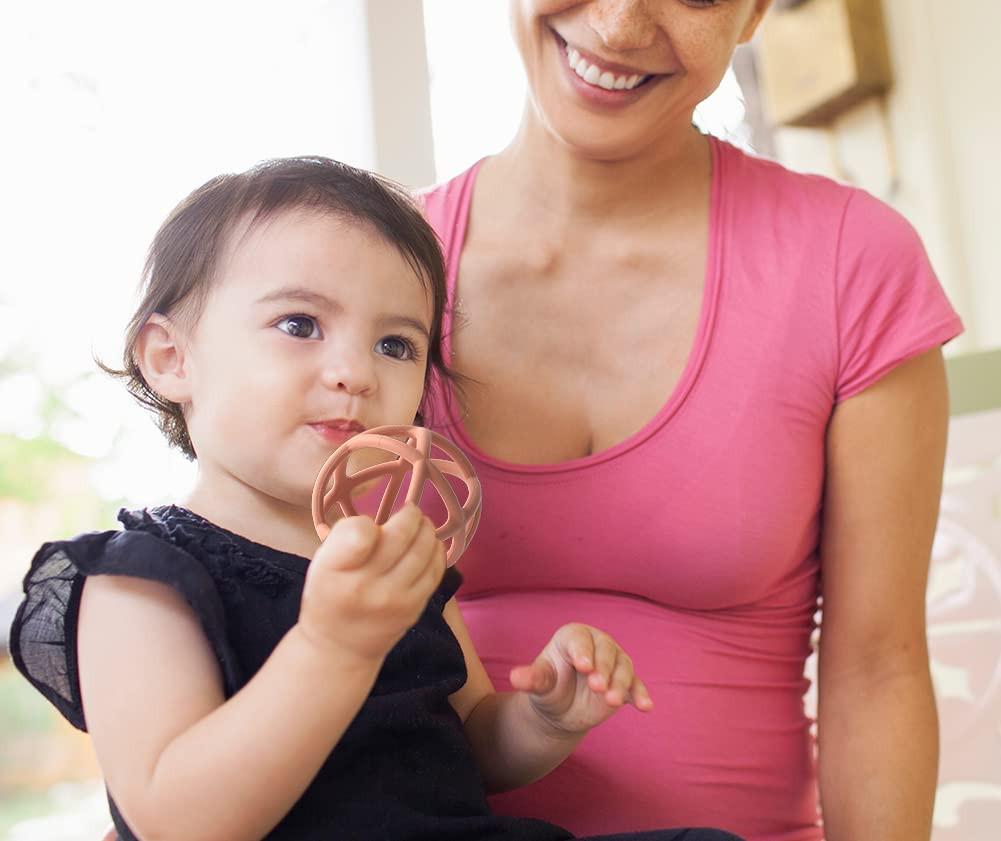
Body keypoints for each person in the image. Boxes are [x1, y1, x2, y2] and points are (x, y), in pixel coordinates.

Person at [418, 0, 963, 840]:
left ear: (761, 1)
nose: (620, 24)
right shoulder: (379, 277)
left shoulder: (849, 263)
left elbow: (876, 667)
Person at [10, 157, 743, 841]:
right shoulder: (140, 578)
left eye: (395, 344)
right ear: (171, 359)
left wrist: (544, 719)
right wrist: (333, 646)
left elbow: (470, 749)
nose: (354, 372)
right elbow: (178, 821)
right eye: (299, 325)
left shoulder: (398, 550)